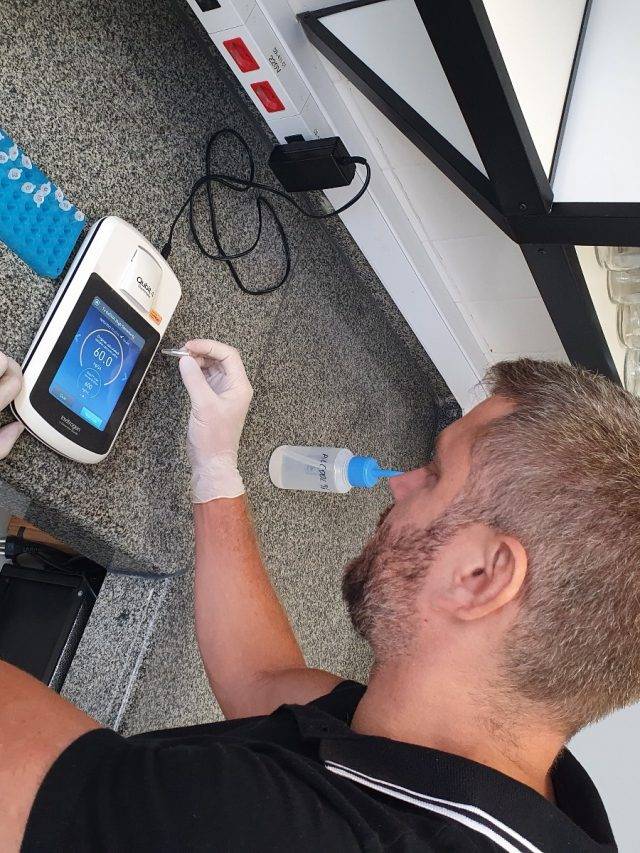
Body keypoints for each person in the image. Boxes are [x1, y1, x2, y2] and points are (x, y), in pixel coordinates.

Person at [0, 338, 633, 852]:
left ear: (480, 577)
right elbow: (263, 680)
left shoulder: (279, 832)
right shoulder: (505, 774)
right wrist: (216, 470)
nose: (402, 484)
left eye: (436, 474)